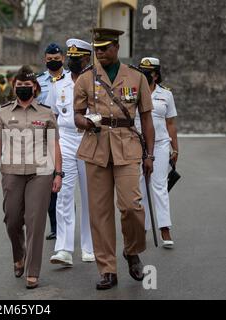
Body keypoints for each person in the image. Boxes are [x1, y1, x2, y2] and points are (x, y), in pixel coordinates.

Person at [74, 28, 156, 290]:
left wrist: (150, 155)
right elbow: (76, 114)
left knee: (132, 206)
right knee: (100, 213)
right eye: (96, 48)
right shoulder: (86, 78)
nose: (99, 53)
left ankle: (132, 251)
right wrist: (85, 122)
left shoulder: (136, 77)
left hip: (128, 146)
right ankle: (107, 269)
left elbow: (146, 118)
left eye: (104, 48)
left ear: (116, 47)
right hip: (96, 148)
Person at [0, 65, 63, 289]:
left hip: (41, 173)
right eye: (19, 85)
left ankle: (32, 271)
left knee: (35, 222)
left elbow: (54, 145)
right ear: (14, 87)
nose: (22, 89)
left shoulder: (46, 112)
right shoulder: (3, 112)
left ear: (35, 88)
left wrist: (58, 173)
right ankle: (18, 255)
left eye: (27, 86)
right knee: (12, 221)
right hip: (11, 172)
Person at [46, 39, 95, 266]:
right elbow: (53, 116)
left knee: (89, 196)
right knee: (64, 194)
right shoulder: (58, 84)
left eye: (78, 59)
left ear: (87, 59)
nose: (74, 63)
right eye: (71, 58)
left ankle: (89, 247)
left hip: (89, 139)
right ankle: (63, 249)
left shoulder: (97, 83)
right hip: (65, 139)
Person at [136, 57, 179, 248]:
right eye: (142, 71)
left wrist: (175, 147)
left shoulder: (166, 94)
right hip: (138, 143)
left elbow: (170, 123)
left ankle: (164, 227)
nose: (146, 75)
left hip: (161, 144)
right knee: (140, 187)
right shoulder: (133, 92)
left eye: (149, 72)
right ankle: (143, 228)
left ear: (156, 74)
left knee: (159, 185)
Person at [38, 43, 67, 241]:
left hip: (68, 136)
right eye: (49, 59)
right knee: (50, 185)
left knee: (67, 184)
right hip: (46, 138)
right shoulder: (39, 81)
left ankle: (66, 223)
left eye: (56, 58)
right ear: (45, 60)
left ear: (63, 58)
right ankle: (55, 226)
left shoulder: (73, 79)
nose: (53, 61)